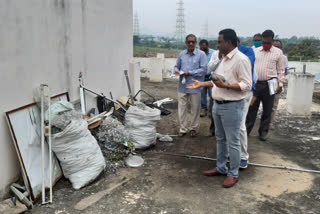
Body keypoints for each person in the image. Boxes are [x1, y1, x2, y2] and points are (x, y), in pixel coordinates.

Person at [187, 29, 252, 188]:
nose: (217, 45)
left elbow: (247, 84)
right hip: (218, 104)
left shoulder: (241, 60)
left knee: (233, 142)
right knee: (221, 139)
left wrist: (228, 86)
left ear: (228, 43)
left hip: (232, 106)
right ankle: (221, 167)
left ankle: (233, 173)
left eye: (219, 41)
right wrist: (202, 83)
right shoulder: (223, 59)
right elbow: (217, 81)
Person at [246, 30, 285, 141]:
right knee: (252, 108)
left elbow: (281, 70)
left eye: (268, 42)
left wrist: (280, 83)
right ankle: (247, 130)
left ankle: (263, 132)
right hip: (256, 85)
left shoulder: (278, 53)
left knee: (267, 110)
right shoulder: (255, 51)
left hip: (271, 84)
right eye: (264, 42)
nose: (265, 44)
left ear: (272, 41)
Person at [174, 34, 207, 137]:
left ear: (196, 43)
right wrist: (177, 71)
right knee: (182, 109)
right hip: (182, 86)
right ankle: (183, 128)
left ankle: (193, 129)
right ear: (186, 43)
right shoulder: (181, 54)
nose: (191, 44)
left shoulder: (201, 55)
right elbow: (176, 66)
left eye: (193, 42)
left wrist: (190, 72)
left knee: (195, 109)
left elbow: (203, 70)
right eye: (189, 42)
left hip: (195, 86)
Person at [237, 38, 256, 168]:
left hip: (244, 92)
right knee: (231, 125)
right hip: (231, 92)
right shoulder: (223, 54)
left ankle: (243, 156)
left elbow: (248, 62)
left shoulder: (247, 52)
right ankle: (232, 153)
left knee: (240, 124)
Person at [270, 39, 288, 129]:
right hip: (265, 82)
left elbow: (285, 71)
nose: (277, 48)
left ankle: (270, 123)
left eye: (278, 47)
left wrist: (280, 82)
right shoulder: (268, 55)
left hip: (276, 83)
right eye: (275, 46)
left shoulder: (283, 57)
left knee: (274, 104)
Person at [199, 40, 214, 117]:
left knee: (212, 94)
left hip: (211, 77)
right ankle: (203, 109)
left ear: (207, 46)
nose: (202, 48)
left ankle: (211, 110)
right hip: (202, 77)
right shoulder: (199, 53)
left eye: (204, 46)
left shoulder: (213, 53)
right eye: (201, 47)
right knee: (202, 94)